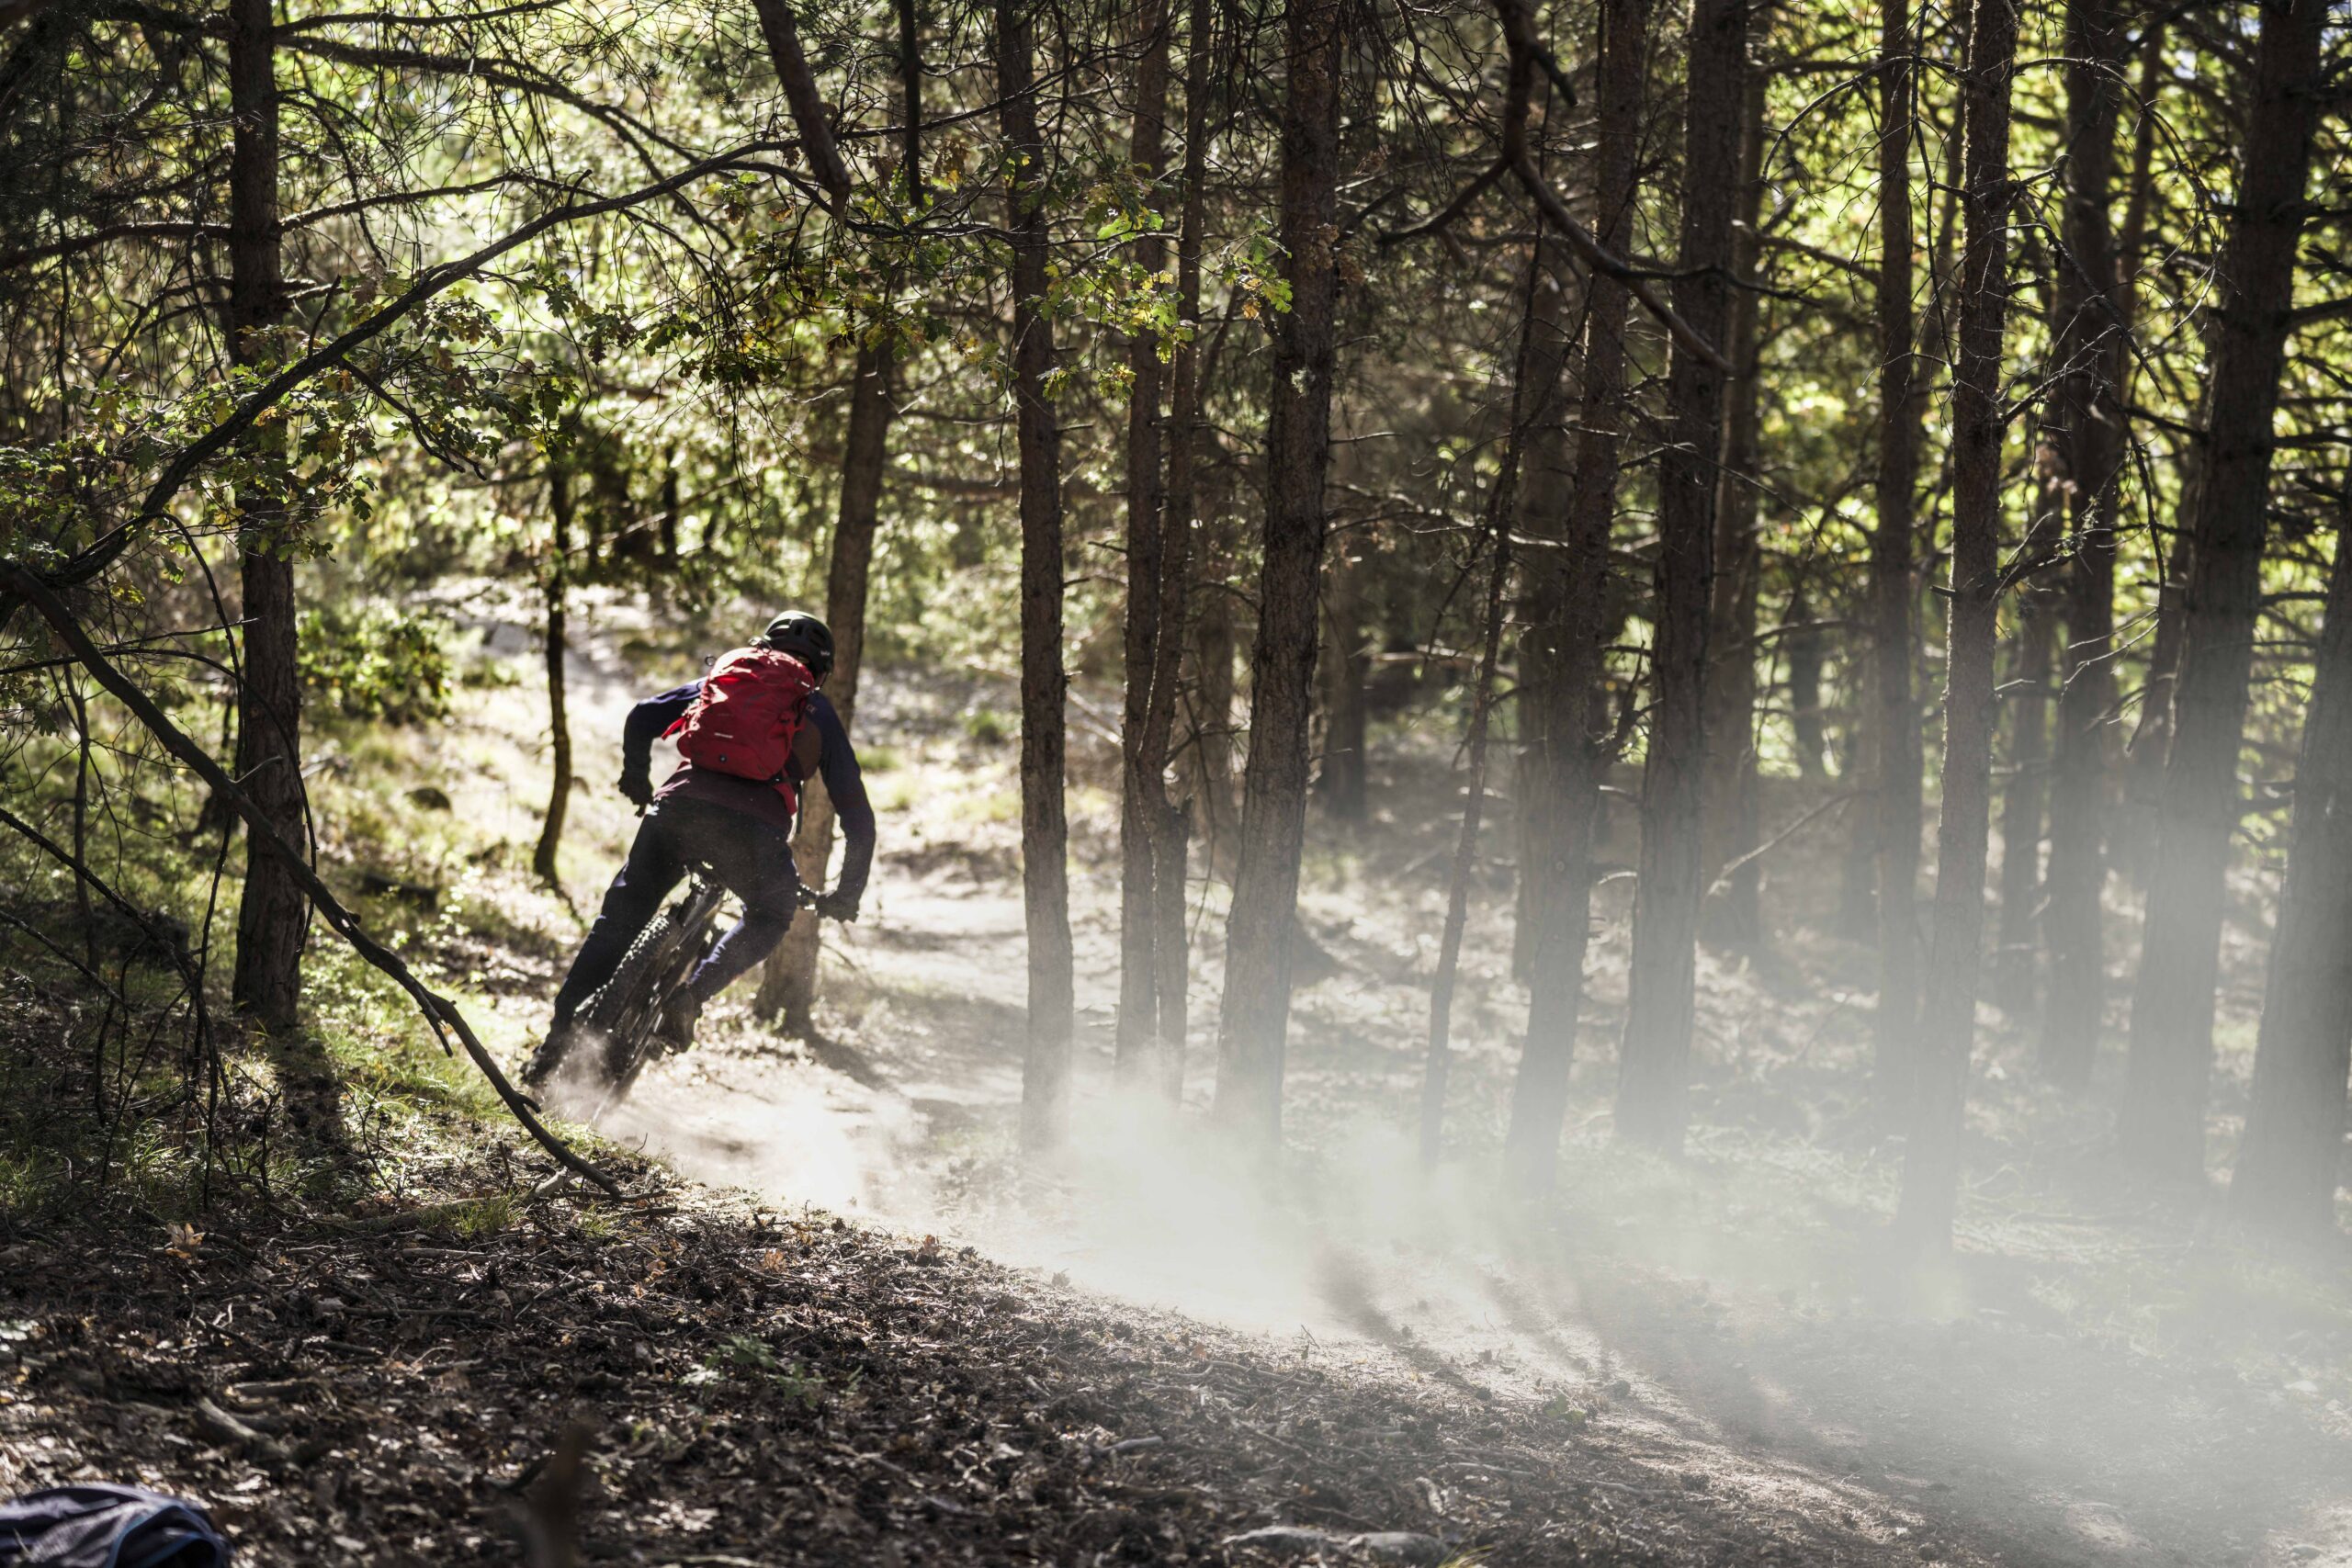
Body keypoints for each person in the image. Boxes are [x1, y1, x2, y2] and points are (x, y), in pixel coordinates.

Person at [528, 612, 873, 1080]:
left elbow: (643, 716)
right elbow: (859, 818)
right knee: (771, 914)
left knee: (617, 925)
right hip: (752, 836)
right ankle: (690, 996)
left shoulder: (729, 676)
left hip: (677, 812)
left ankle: (551, 1048)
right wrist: (847, 894)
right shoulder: (815, 708)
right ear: (821, 670)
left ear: (763, 644)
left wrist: (636, 780)